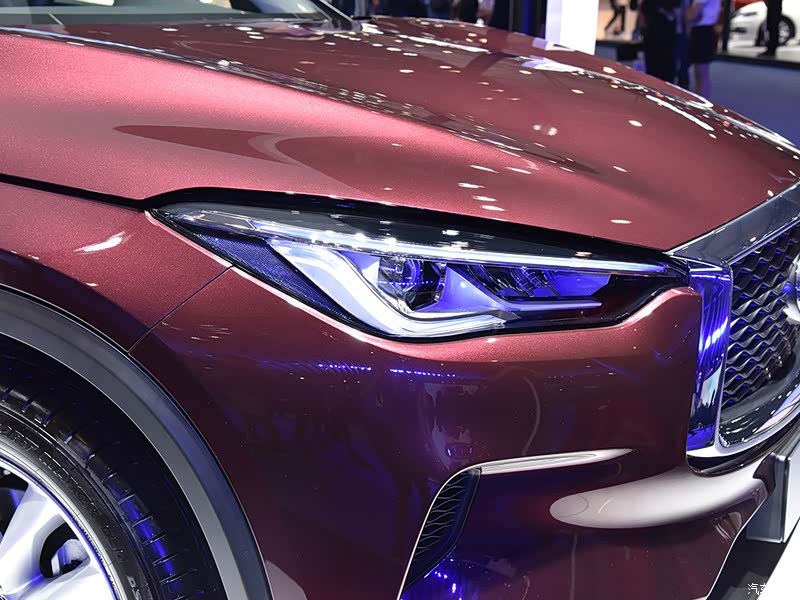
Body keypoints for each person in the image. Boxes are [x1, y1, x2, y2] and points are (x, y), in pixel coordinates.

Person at [638, 0, 681, 82]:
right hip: (655, 33)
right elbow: (644, 8)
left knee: (663, 67)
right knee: (657, 67)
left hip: (664, 34)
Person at [687, 0, 721, 98]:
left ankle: (702, 101)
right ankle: (701, 99)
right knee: (700, 73)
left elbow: (692, 15)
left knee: (701, 73)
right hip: (704, 30)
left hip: (702, 32)